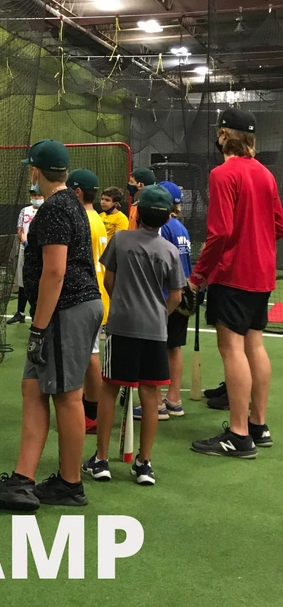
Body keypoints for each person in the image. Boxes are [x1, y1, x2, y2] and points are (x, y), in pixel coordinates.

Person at [0, 140, 103, 511]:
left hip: (66, 309)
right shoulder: (67, 204)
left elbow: (55, 272)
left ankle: (70, 484)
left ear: (35, 170)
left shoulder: (56, 209)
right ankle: (22, 479)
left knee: (67, 395)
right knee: (33, 388)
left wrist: (38, 328)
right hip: (67, 308)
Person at [189, 108, 283, 458]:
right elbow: (279, 224)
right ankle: (258, 425)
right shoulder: (265, 174)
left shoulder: (222, 173)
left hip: (232, 275)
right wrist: (256, 241)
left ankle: (239, 435)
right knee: (254, 345)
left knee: (232, 349)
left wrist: (198, 276)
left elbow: (221, 232)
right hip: (262, 273)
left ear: (224, 135)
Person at [82, 185, 185, 486]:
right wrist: (159, 314)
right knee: (151, 394)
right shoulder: (169, 250)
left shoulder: (121, 239)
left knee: (109, 389)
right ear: (166, 217)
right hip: (155, 330)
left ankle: (101, 460)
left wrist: (123, 304)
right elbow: (176, 296)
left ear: (137, 213)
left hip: (122, 326)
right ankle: (144, 464)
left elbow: (109, 280)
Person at [66, 169, 109, 436]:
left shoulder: (84, 219)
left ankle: (92, 412)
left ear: (78, 191)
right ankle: (90, 407)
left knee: (89, 356)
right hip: (96, 293)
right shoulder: (97, 218)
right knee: (89, 354)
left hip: (87, 295)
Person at [157, 181, 192, 418]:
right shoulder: (181, 227)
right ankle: (173, 399)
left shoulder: (163, 226)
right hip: (183, 293)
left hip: (166, 296)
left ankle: (156, 403)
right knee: (174, 347)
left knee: (158, 347)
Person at [7, 185, 43, 324]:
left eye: (38, 195)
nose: (36, 198)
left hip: (41, 251)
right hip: (25, 249)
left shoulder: (47, 210)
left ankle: (38, 315)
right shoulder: (25, 211)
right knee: (23, 281)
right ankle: (20, 313)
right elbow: (20, 230)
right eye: (33, 195)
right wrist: (26, 243)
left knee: (40, 282)